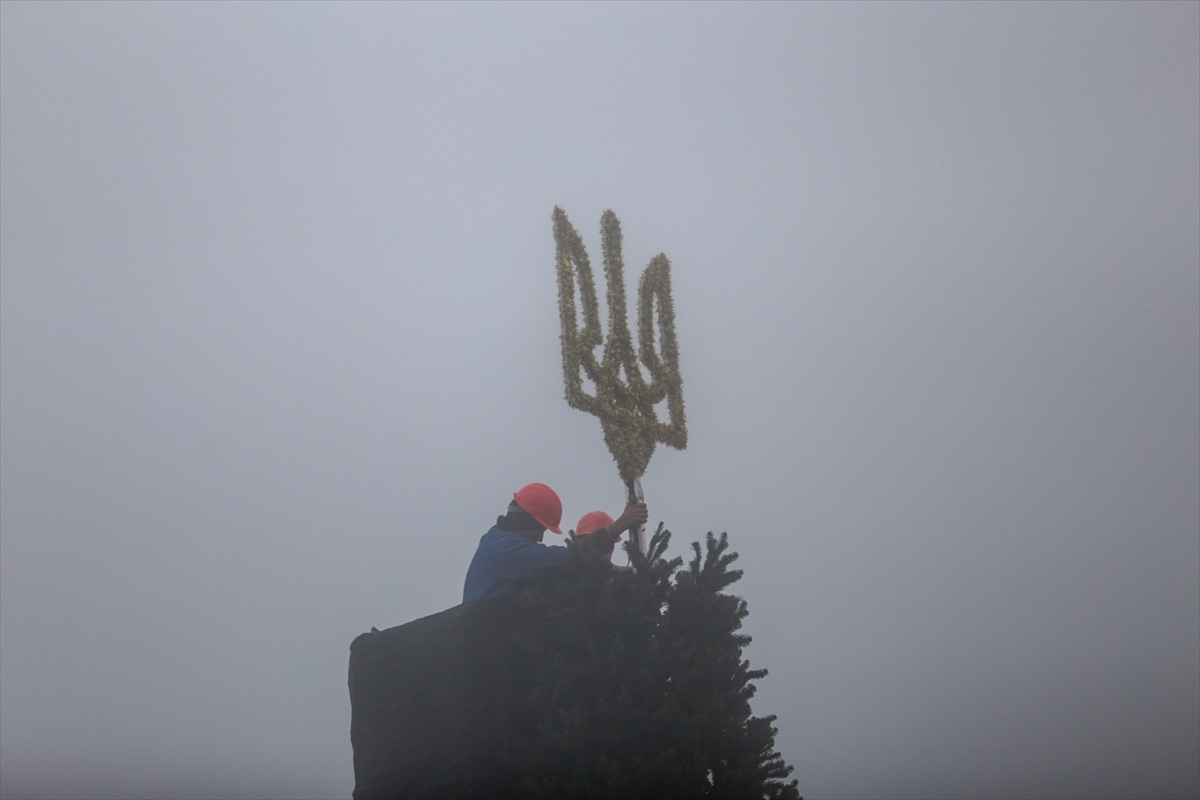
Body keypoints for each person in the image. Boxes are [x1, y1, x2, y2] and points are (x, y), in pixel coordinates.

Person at [462, 483, 647, 602]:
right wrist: (616, 528)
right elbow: (562, 561)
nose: (541, 539)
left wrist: (609, 571)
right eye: (541, 529)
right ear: (529, 522)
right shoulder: (504, 550)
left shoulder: (496, 540)